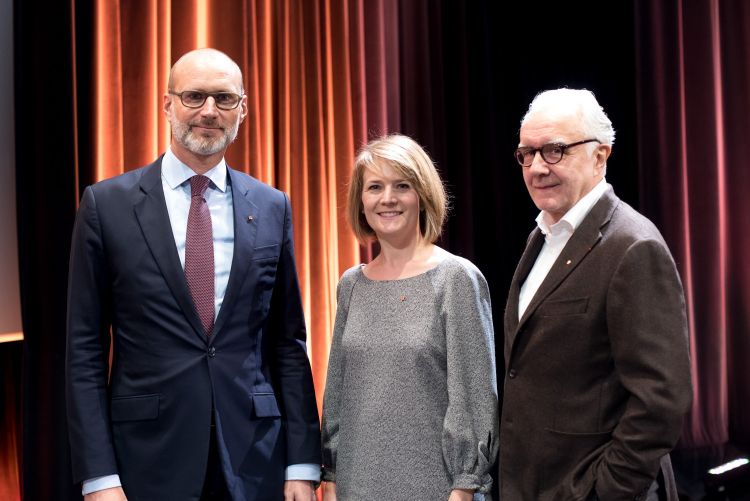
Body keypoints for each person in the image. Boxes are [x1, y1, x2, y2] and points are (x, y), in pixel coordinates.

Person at [66, 48, 320, 501]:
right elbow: (84, 352)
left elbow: (287, 343)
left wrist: (302, 461)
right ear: (167, 105)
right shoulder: (106, 206)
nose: (209, 111)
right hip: (144, 462)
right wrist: (99, 476)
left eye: (224, 99)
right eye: (194, 96)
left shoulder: (271, 206)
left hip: (255, 462)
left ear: (243, 109)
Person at [500, 88, 692, 500]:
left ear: (600, 155)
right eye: (526, 153)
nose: (537, 167)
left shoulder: (634, 246)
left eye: (555, 150)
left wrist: (604, 491)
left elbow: (661, 400)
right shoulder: (541, 237)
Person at [320, 134, 499, 500]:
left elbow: (474, 398)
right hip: (356, 486)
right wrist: (331, 472)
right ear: (361, 201)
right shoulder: (351, 285)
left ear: (422, 195)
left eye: (402, 185)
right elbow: (338, 390)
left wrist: (465, 487)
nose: (388, 198)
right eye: (375, 187)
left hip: (436, 489)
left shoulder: (456, 278)